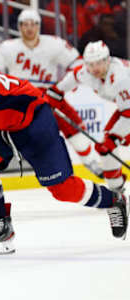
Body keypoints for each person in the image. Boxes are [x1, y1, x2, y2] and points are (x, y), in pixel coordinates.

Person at [0, 45, 128, 256]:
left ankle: (113, 200)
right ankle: (3, 228)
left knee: (62, 189)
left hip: (32, 118)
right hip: (1, 125)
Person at [0, 9, 103, 179]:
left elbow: (77, 63)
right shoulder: (9, 47)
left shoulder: (54, 44)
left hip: (47, 95)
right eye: (25, 25)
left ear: (39, 26)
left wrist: (68, 84)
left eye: (33, 24)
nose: (29, 28)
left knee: (70, 120)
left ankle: (90, 160)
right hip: (20, 97)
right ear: (19, 27)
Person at [55, 41, 130, 193]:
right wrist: (54, 93)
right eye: (91, 64)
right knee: (105, 146)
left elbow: (128, 115)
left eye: (100, 62)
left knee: (108, 143)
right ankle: (116, 190)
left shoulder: (121, 76)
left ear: (108, 60)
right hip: (127, 109)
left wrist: (115, 138)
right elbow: (71, 79)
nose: (95, 68)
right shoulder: (85, 72)